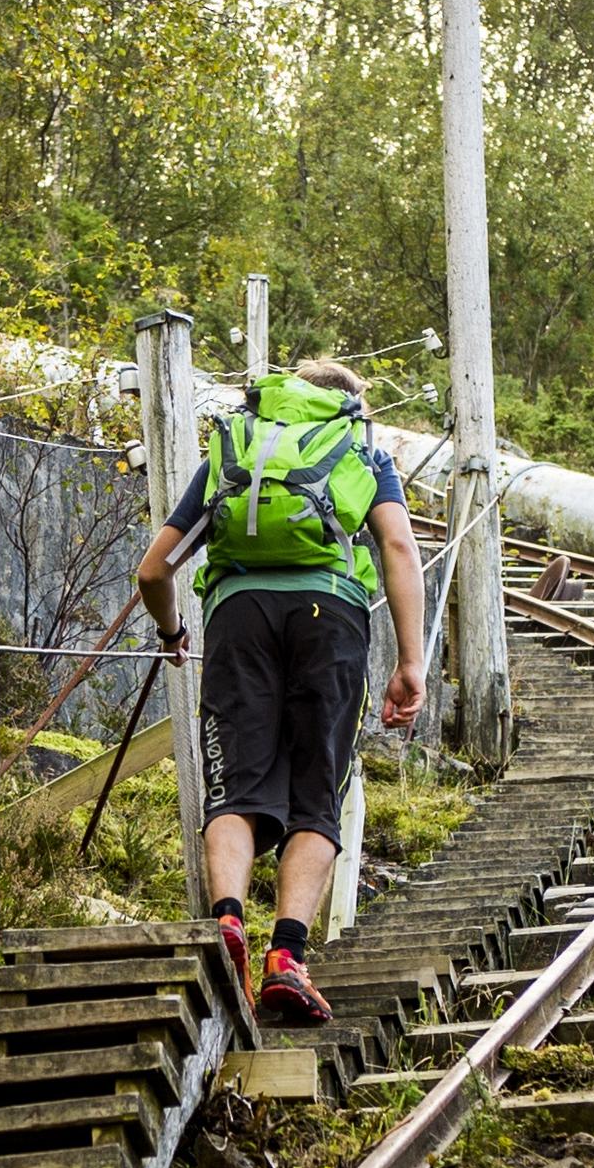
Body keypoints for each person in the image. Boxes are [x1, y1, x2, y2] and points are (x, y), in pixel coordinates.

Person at [132, 354, 428, 1026]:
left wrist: (173, 632)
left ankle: (228, 924)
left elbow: (155, 569)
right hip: (331, 617)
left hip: (238, 618)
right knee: (315, 794)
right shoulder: (359, 449)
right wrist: (411, 661)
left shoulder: (236, 452)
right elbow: (400, 549)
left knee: (237, 788)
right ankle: (286, 957)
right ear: (350, 406)